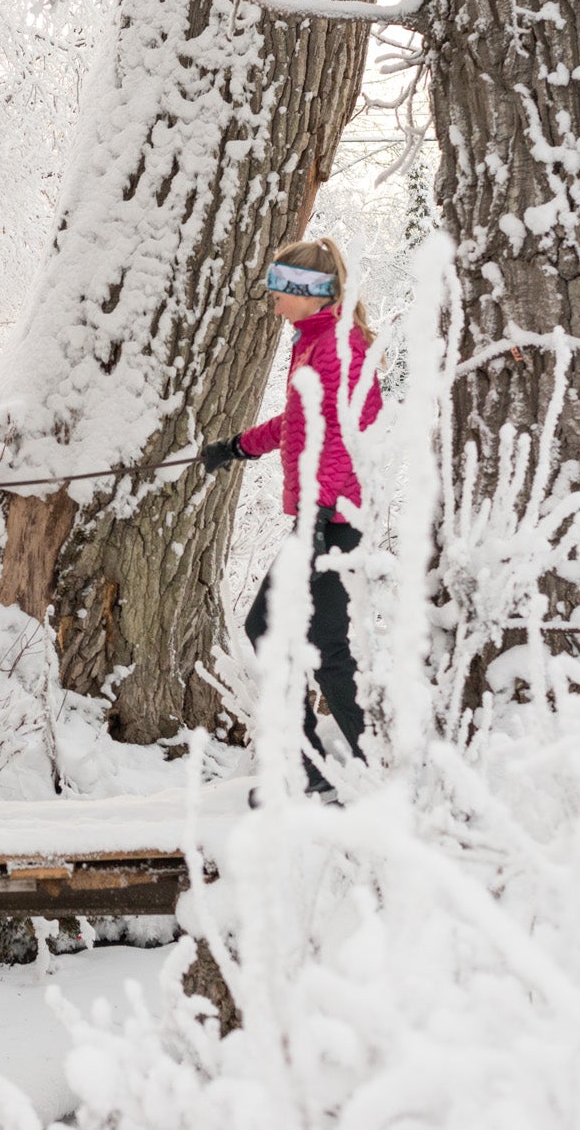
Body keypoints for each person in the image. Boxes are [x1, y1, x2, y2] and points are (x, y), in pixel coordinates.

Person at [200, 237, 382, 797]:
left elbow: (357, 425)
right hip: (321, 515)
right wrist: (239, 446)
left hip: (332, 518)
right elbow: (301, 420)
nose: (273, 299)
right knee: (281, 632)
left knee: (310, 640)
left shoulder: (338, 347)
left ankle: (364, 772)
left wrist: (324, 507)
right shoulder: (313, 343)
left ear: (308, 293)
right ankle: (315, 769)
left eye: (281, 289)